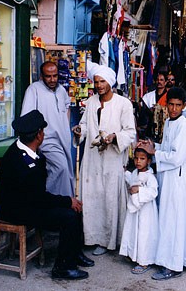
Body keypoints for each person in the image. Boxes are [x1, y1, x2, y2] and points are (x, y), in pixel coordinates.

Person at [0, 110, 94, 280]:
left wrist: (67, 202)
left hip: (26, 202)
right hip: (17, 211)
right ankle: (63, 268)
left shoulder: (22, 150)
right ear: (39, 135)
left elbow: (37, 196)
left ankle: (73, 253)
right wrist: (66, 201)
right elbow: (39, 198)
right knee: (69, 215)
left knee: (73, 208)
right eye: (43, 131)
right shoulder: (25, 163)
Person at [72, 63, 136, 256]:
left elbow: (130, 132)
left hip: (112, 160)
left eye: (102, 82)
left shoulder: (123, 104)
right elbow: (84, 126)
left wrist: (114, 137)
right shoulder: (91, 102)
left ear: (110, 83)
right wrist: (79, 131)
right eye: (96, 82)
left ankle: (109, 240)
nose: (99, 85)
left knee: (109, 198)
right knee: (92, 198)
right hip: (92, 159)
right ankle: (92, 237)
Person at [144, 87, 186, 280]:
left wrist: (155, 154)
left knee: (175, 221)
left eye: (178, 105)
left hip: (179, 181)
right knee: (169, 220)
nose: (174, 108)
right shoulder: (169, 122)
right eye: (171, 104)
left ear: (184, 105)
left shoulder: (185, 126)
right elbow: (168, 148)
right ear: (166, 104)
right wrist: (153, 147)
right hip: (169, 179)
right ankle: (170, 259)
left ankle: (174, 265)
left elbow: (177, 157)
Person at [21, 61, 74, 197]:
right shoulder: (34, 90)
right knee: (60, 168)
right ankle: (52, 202)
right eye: (48, 76)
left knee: (65, 171)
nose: (52, 80)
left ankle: (64, 205)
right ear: (41, 76)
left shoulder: (61, 90)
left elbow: (66, 107)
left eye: (55, 76)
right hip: (45, 140)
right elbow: (27, 117)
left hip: (63, 141)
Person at [119, 142, 158, 274]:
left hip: (146, 212)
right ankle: (133, 254)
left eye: (142, 158)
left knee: (144, 235)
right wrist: (125, 174)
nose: (138, 161)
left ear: (149, 161)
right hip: (135, 212)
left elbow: (153, 192)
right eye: (136, 158)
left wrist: (139, 191)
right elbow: (132, 180)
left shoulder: (150, 177)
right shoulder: (135, 172)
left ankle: (144, 261)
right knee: (133, 232)